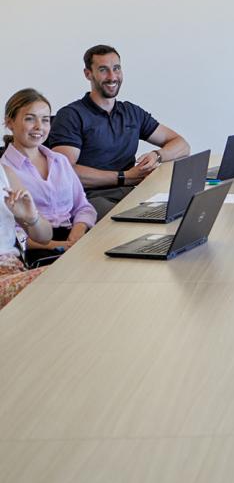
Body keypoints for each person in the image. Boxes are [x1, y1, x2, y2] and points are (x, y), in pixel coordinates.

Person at [48, 45, 190, 219]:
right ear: (88, 74)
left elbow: (181, 144)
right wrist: (124, 177)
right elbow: (65, 171)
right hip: (89, 198)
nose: (112, 77)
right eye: (103, 70)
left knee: (181, 210)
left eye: (116, 68)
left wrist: (157, 155)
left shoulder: (131, 112)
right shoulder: (72, 115)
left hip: (131, 191)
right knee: (134, 223)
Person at [2, 89, 96, 264]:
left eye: (45, 120)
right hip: (38, 249)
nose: (39, 126)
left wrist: (77, 233)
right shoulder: (5, 171)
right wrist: (55, 245)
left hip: (75, 235)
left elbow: (83, 206)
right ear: (10, 122)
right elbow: (13, 233)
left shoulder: (60, 161)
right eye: (30, 118)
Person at [0, 165, 52, 309]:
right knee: (60, 278)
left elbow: (45, 237)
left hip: (13, 272)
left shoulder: (4, 172)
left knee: (68, 274)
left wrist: (31, 217)